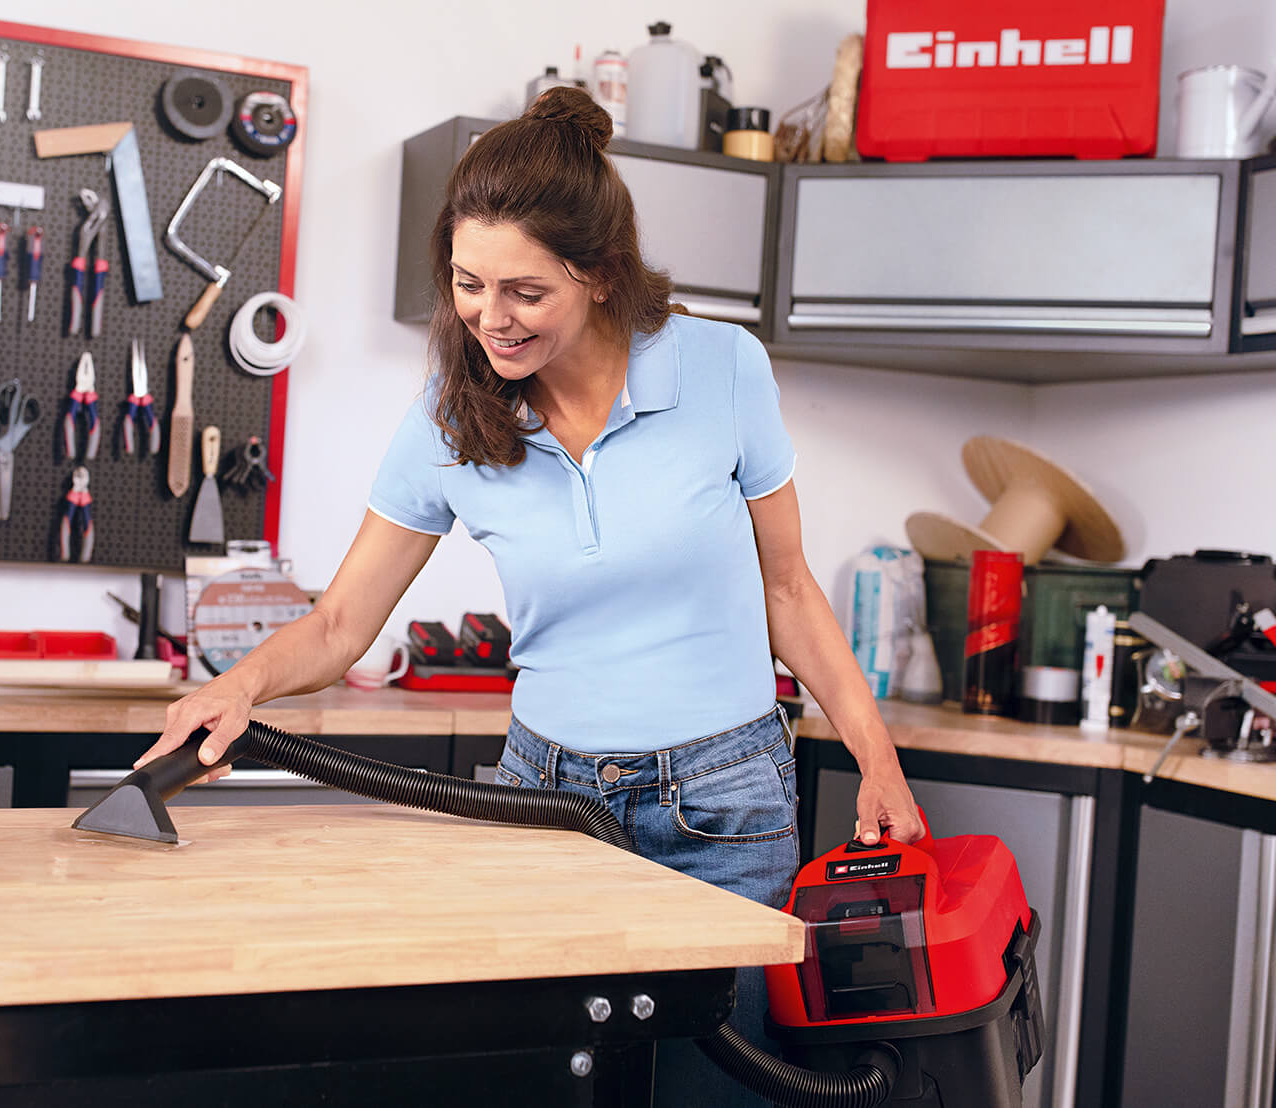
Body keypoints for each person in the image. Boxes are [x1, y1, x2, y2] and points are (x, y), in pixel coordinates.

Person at [139, 86, 924, 1105]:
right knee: (545, 1084)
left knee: (709, 1085)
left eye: (523, 292)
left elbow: (789, 588)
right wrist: (235, 689)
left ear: (599, 275)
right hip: (546, 798)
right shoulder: (449, 417)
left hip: (725, 806)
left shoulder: (722, 369)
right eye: (468, 284)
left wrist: (877, 757)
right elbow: (340, 622)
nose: (488, 318)